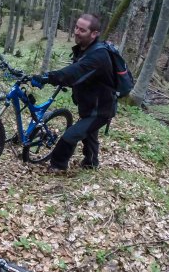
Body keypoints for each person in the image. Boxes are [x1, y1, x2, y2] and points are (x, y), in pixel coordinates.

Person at [31, 13, 116, 171]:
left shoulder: (99, 56)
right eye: (76, 27)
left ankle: (58, 166)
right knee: (89, 135)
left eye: (82, 30)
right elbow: (79, 73)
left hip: (101, 109)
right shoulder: (84, 49)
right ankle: (91, 163)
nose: (76, 32)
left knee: (71, 135)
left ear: (94, 34)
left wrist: (47, 77)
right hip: (89, 104)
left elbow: (74, 72)